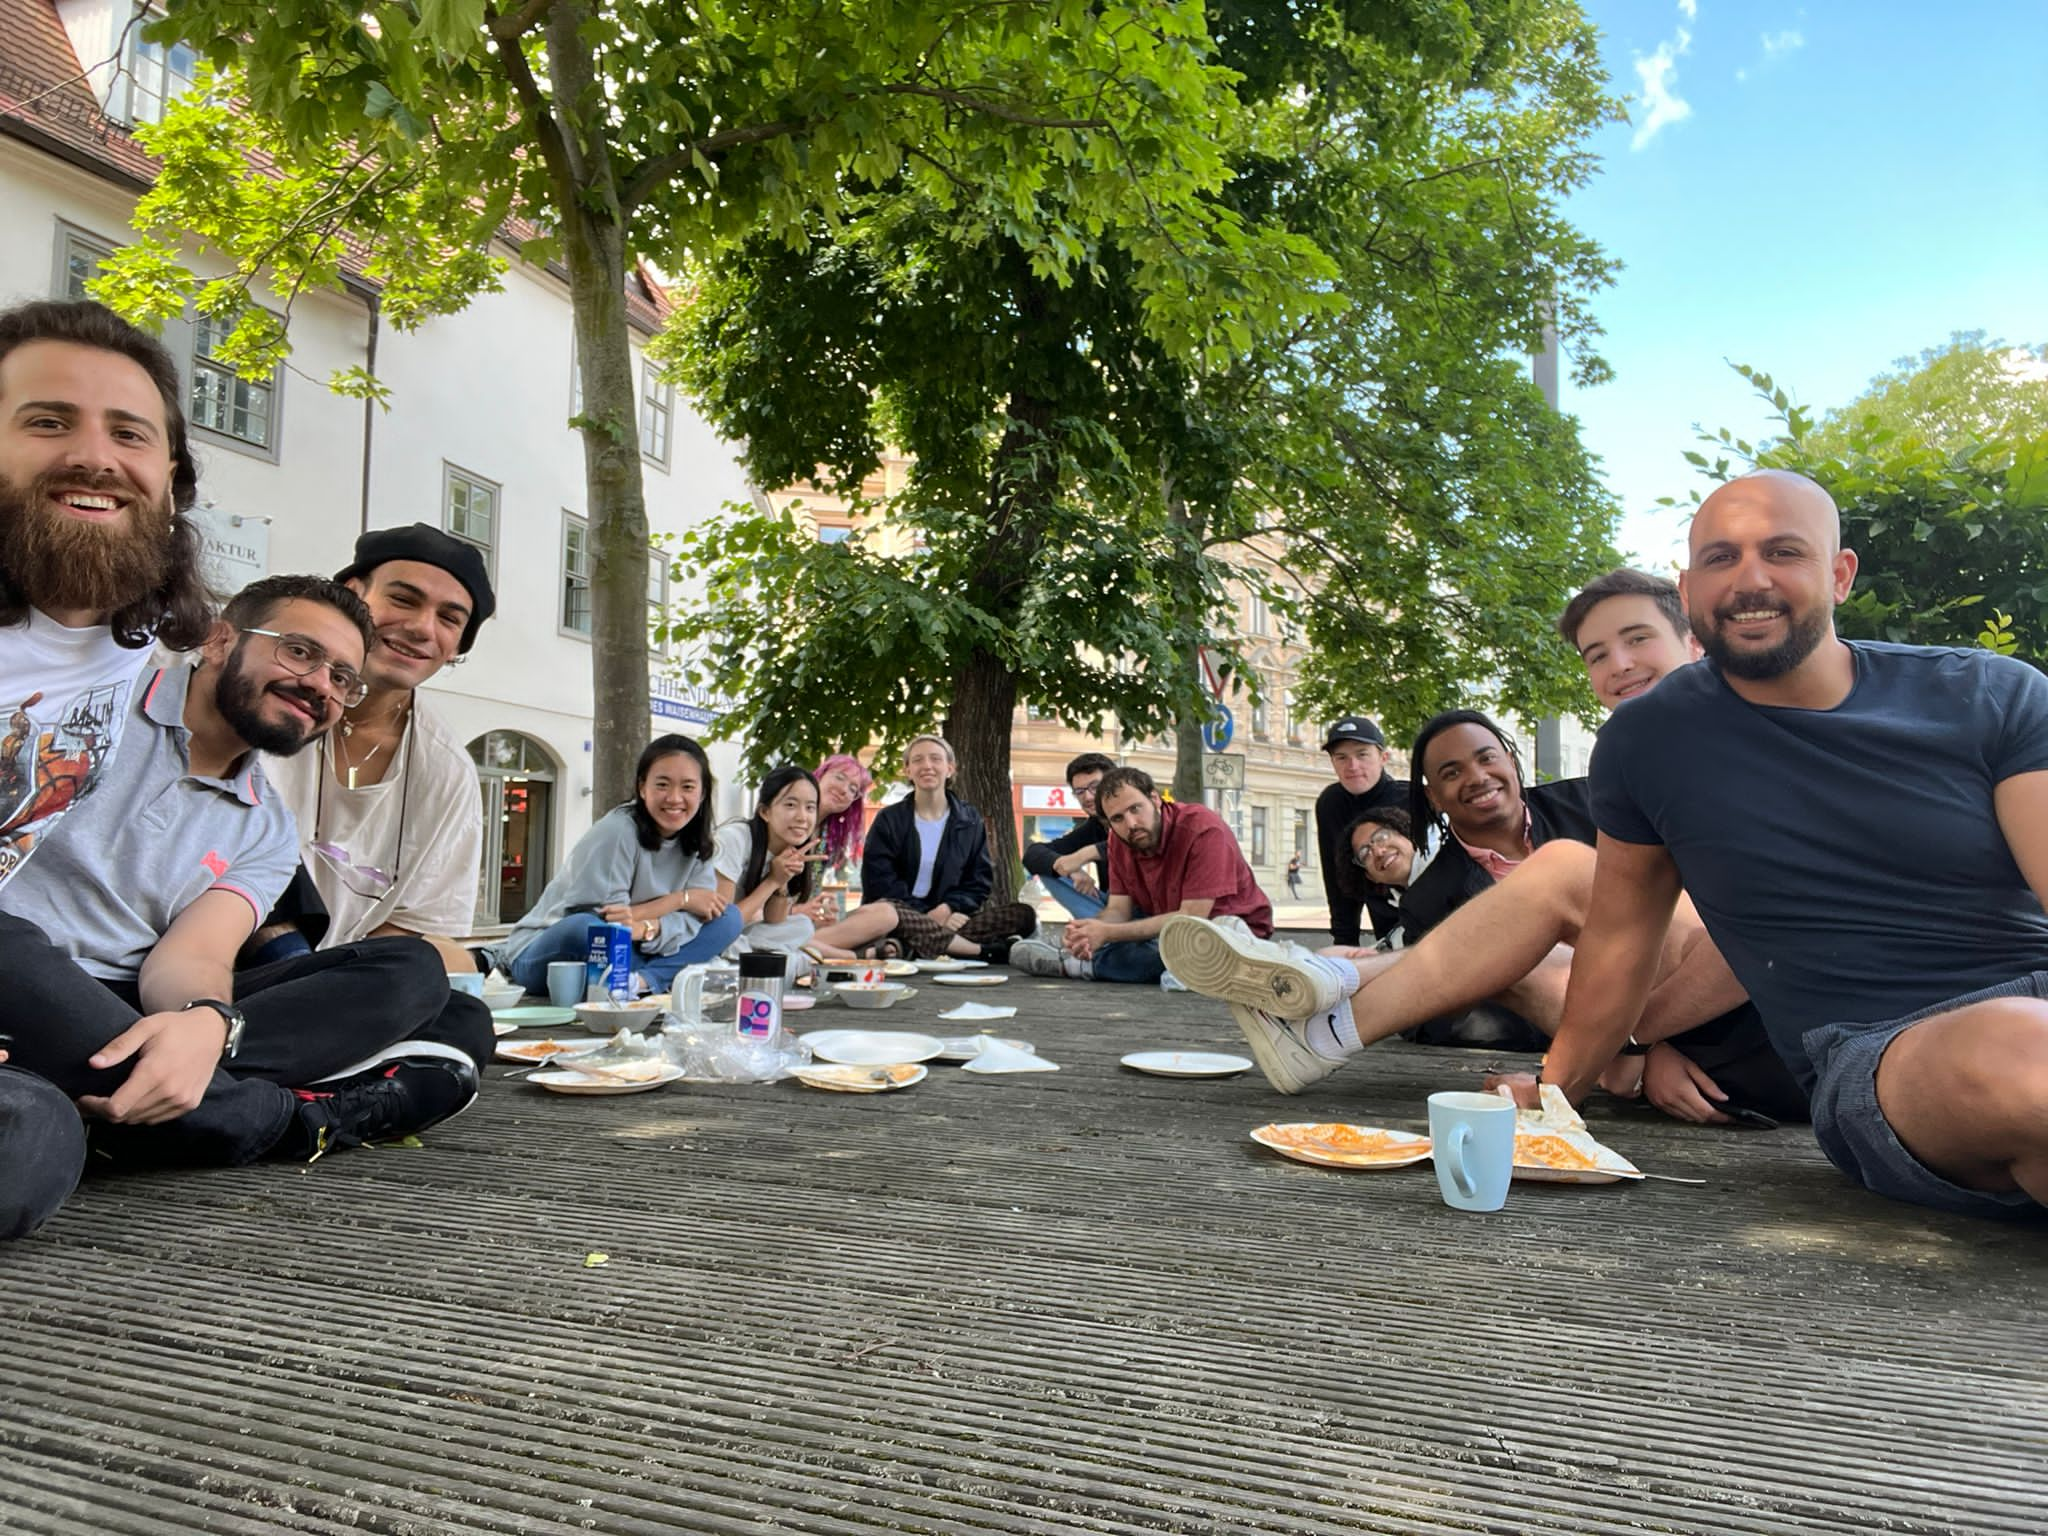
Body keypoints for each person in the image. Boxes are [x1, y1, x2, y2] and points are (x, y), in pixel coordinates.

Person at [1516, 469, 2048, 1214]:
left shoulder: (1994, 695)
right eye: (1720, 557)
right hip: (1885, 1057)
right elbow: (1617, 944)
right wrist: (1549, 1094)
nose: (1750, 580)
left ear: (1839, 574)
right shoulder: (1648, 742)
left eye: (1784, 552)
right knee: (2019, 1051)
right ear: (1689, 587)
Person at [1163, 566, 1804, 1127]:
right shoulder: (1644, 763)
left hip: (1785, 1031)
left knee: (1561, 880)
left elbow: (1758, 934)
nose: (1619, 665)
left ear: (1692, 641)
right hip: (1720, 1029)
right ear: (1433, 800)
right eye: (1597, 655)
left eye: (1638, 639)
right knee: (1521, 952)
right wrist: (1608, 1062)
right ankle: (1324, 993)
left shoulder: (1710, 753)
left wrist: (1624, 1051)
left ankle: (1330, 991)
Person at [1, 574, 492, 1191]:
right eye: (299, 651)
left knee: (419, 976)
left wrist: (206, 1023)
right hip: (20, 971)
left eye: (342, 678)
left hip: (123, 1005)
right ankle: (279, 1119)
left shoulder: (266, 826)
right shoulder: (97, 699)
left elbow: (196, 953)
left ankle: (151, 1090)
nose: (319, 685)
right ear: (216, 640)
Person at [0, 297, 213, 1236]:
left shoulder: (136, 657)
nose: (95, 456)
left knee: (34, 1140)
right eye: (48, 422)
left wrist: (209, 1021)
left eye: (129, 434)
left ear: (171, 480)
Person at [257, 524, 496, 966]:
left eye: (449, 618)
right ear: (353, 594)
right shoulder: (269, 696)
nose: (422, 628)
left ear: (459, 644)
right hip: (221, 949)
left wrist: (337, 980)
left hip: (336, 980)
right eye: (403, 599)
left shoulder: (447, 771)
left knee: (449, 992)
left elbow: (413, 924)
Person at [485, 734, 743, 996]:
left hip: (637, 949)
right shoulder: (618, 830)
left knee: (728, 918)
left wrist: (647, 928)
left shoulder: (701, 842)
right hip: (555, 953)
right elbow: (607, 920)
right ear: (642, 787)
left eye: (687, 787)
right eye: (662, 785)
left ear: (702, 793)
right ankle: (664, 973)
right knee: (589, 929)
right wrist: (680, 900)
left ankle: (642, 981)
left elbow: (694, 919)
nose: (675, 798)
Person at [1010, 765, 1272, 982]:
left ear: (1155, 799)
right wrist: (1089, 931)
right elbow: (1118, 912)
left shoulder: (1203, 830)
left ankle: (1078, 966)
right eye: (1118, 818)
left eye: (1136, 809)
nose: (1131, 824)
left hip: (1227, 933)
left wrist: (1108, 935)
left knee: (1196, 950)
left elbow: (1192, 917)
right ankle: (1089, 958)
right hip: (1167, 932)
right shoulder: (1118, 841)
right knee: (1164, 953)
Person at [856, 734, 1035, 961]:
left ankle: (907, 949)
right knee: (887, 913)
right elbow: (879, 883)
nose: (927, 766)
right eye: (918, 760)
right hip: (899, 917)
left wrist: (949, 908)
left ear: (950, 768)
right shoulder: (889, 819)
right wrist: (926, 916)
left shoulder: (969, 820)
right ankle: (979, 951)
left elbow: (978, 881)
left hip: (949, 918)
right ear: (907, 770)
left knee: (1023, 915)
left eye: (935, 759)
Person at [713, 765, 822, 977]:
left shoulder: (789, 848)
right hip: (709, 933)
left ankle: (769, 963)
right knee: (736, 946)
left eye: (810, 808)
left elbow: (775, 920)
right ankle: (778, 964)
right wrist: (772, 880)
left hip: (739, 937)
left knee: (802, 925)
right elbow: (722, 924)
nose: (802, 817)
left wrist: (782, 881)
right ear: (765, 812)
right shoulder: (734, 838)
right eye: (791, 805)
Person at [1314, 717, 1407, 945]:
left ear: (1383, 757)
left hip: (1432, 915)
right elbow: (1336, 877)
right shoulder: (1331, 804)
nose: (1352, 766)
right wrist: (1345, 941)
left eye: (1362, 754)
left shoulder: (1411, 798)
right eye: (1341, 757)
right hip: (1383, 921)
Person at [1021, 751, 1113, 919]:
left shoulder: (1136, 820)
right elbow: (1033, 854)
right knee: (1051, 869)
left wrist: (1086, 854)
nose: (1088, 797)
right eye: (1080, 791)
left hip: (1151, 912)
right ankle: (1099, 931)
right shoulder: (1094, 826)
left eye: (1095, 787)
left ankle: (1102, 934)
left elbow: (1132, 847)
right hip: (1109, 907)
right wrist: (1070, 869)